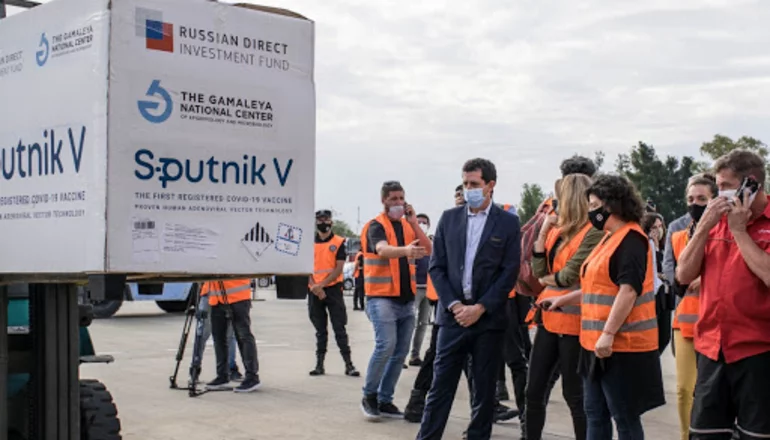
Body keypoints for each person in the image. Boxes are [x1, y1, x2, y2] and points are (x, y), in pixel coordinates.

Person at [547, 174, 665, 440]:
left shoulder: (632, 240)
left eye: (594, 205)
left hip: (620, 346)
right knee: (595, 414)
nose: (591, 212)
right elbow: (598, 288)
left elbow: (628, 290)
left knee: (624, 418)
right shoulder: (609, 238)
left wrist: (609, 333)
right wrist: (563, 300)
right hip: (595, 345)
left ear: (611, 204)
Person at [417, 158, 521, 440]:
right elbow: (437, 267)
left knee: (484, 392)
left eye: (474, 184)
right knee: (440, 388)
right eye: (465, 184)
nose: (468, 189)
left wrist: (481, 307)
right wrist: (454, 305)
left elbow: (509, 272)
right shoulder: (449, 219)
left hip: (488, 321)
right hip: (452, 319)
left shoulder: (508, 223)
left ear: (490, 185)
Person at [676, 149, 770, 440]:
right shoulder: (714, 220)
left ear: (751, 184)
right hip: (712, 349)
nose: (720, 194)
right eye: (717, 187)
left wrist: (740, 232)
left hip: (758, 352)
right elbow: (683, 275)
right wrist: (703, 226)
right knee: (706, 434)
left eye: (726, 186)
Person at [527, 173, 603, 440]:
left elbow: (567, 277)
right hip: (549, 320)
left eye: (559, 198)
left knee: (575, 396)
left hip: (575, 324)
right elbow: (538, 270)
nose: (555, 203)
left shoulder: (593, 232)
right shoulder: (557, 230)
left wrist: (548, 279)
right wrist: (543, 232)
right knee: (533, 391)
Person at [359, 181, 432, 420]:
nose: (398, 203)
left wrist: (414, 223)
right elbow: (381, 249)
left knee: (400, 352)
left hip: (406, 299)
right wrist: (405, 251)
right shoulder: (376, 226)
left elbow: (429, 249)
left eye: (401, 198)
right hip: (381, 297)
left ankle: (385, 399)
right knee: (385, 346)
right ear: (384, 201)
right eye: (393, 199)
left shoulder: (408, 226)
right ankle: (369, 396)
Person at [668, 173, 717, 440]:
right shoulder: (677, 231)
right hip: (685, 320)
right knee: (684, 389)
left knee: (711, 391)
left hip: (716, 321)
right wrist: (683, 279)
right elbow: (671, 269)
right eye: (690, 198)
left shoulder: (727, 229)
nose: (694, 204)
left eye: (701, 198)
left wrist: (703, 278)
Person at [308, 209, 360, 377]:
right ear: (316, 221)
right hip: (314, 291)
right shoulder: (309, 243)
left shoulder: (339, 242)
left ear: (331, 221)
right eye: (320, 219)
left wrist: (322, 285)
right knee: (320, 330)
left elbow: (339, 268)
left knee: (340, 328)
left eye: (326, 219)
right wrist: (315, 287)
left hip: (333, 290)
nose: (323, 222)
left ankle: (349, 364)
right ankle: (319, 365)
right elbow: (305, 268)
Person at [202, 279, 262, 393]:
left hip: (237, 297)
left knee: (243, 336)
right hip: (216, 298)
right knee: (219, 337)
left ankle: (252, 376)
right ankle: (222, 375)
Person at [642, 211, 673, 354]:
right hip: (655, 296)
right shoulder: (647, 245)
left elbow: (668, 268)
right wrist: (655, 247)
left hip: (666, 296)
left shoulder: (667, 245)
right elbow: (657, 269)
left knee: (665, 337)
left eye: (660, 226)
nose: (658, 231)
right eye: (654, 227)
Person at [409, 213, 432, 366]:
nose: (422, 225)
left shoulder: (431, 245)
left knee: (423, 324)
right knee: (409, 323)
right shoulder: (410, 244)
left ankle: (415, 355)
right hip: (414, 289)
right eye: (419, 222)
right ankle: (400, 355)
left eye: (425, 223)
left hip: (428, 290)